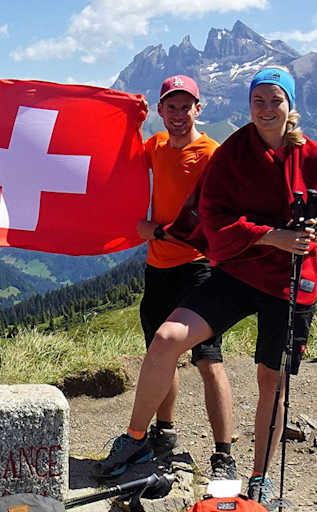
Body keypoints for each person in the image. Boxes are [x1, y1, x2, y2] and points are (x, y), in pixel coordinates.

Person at [94, 67, 317, 509]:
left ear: (290, 106)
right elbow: (214, 218)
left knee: (272, 379)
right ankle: (136, 437)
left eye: (275, 101)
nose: (267, 110)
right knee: (166, 338)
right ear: (249, 106)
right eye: (259, 102)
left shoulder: (315, 157)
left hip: (289, 282)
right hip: (237, 271)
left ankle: (260, 476)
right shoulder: (234, 152)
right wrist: (274, 236)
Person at [117, 75, 236, 481]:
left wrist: (160, 231)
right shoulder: (156, 147)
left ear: (198, 109)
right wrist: (125, 117)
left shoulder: (212, 153)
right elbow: (120, 162)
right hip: (159, 268)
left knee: (208, 360)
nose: (179, 114)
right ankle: (163, 434)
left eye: (186, 107)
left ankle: (224, 453)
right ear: (160, 111)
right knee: (158, 355)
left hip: (199, 268)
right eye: (171, 107)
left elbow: (215, 214)